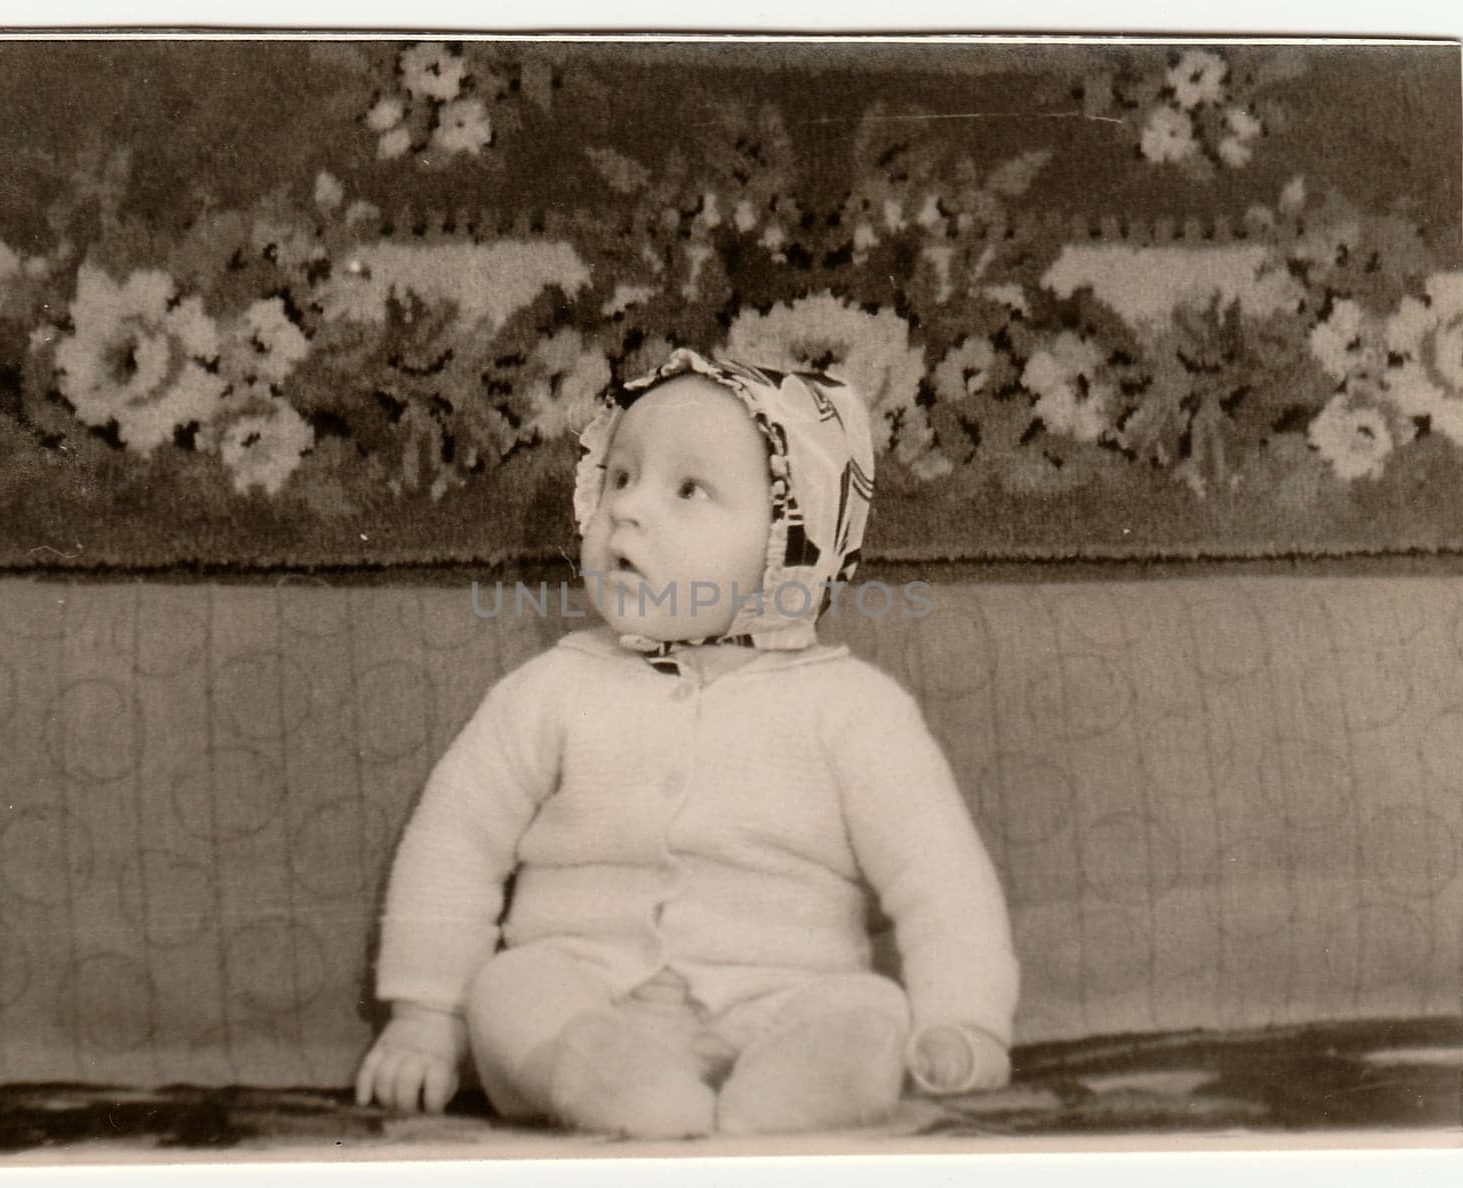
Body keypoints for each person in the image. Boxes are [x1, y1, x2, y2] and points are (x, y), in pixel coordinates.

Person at [355, 349, 1018, 1137]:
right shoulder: (551, 691)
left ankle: (798, 1088)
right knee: (506, 993)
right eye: (621, 479)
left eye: (688, 489)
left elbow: (940, 876)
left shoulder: (854, 710)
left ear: (790, 539)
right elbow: (455, 841)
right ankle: (610, 1079)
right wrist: (425, 1014)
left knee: (869, 1005)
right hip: (587, 984)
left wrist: (964, 1018)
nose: (627, 512)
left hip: (785, 990)